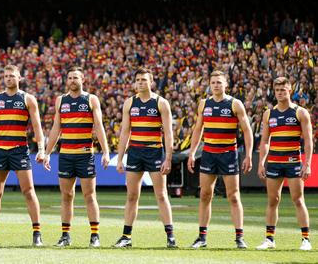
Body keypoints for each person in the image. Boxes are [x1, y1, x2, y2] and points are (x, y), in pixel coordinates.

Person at [0, 64, 46, 247]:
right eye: (6, 76)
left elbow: (37, 127)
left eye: (12, 76)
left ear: (19, 78)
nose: (8, 78)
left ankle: (37, 233)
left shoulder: (28, 99)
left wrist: (41, 149)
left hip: (19, 150)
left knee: (28, 192)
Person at [43, 67, 110, 247]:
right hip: (65, 155)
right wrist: (47, 153)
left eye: (76, 78)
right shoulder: (60, 101)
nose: (72, 80)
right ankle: (65, 236)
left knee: (89, 195)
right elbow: (56, 129)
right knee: (66, 196)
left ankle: (95, 236)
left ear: (83, 80)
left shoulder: (91, 99)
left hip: (85, 155)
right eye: (70, 77)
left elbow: (99, 127)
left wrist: (105, 151)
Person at [187, 70, 253, 249]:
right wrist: (192, 152)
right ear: (210, 84)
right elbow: (198, 129)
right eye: (213, 82)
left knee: (233, 196)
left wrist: (248, 154)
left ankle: (239, 238)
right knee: (205, 195)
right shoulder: (203, 104)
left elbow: (247, 130)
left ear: (226, 85)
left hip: (228, 154)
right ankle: (202, 238)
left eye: (219, 82)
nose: (216, 85)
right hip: (208, 154)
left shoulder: (235, 104)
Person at [115, 67, 177, 248]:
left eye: (144, 80)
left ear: (151, 82)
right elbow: (125, 132)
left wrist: (168, 158)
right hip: (134, 153)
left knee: (161, 194)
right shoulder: (129, 103)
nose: (141, 82)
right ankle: (126, 236)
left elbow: (168, 133)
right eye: (138, 80)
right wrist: (120, 158)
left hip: (154, 152)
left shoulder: (161, 102)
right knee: (132, 195)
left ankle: (170, 236)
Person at [256, 77, 313, 251]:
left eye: (283, 90)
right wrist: (261, 163)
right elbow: (265, 140)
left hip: (293, 162)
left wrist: (307, 163)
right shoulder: (269, 114)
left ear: (290, 90)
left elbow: (309, 141)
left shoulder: (300, 112)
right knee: (273, 200)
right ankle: (269, 239)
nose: (280, 93)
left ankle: (305, 239)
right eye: (277, 90)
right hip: (273, 162)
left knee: (298, 199)